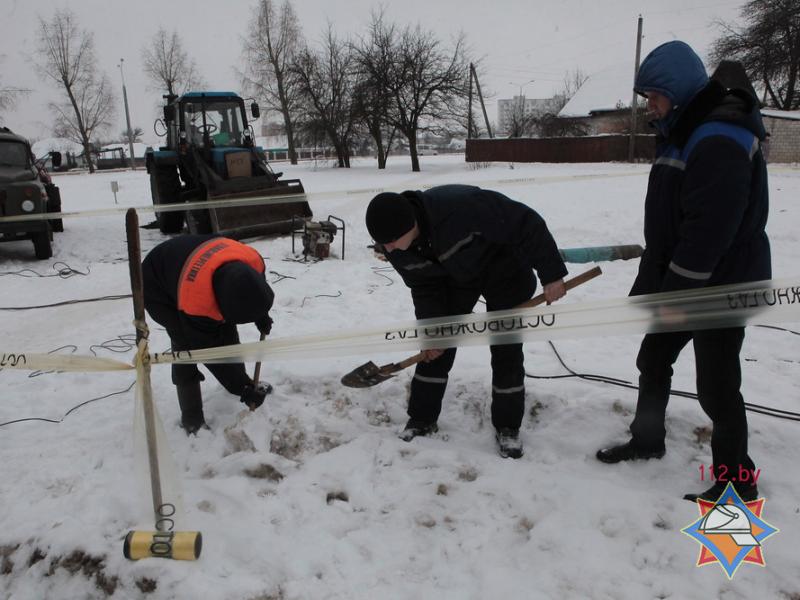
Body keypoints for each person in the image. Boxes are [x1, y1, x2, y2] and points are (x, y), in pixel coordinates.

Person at [595, 42, 771, 502]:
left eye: (654, 97)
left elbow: (708, 232)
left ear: (676, 90)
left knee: (716, 385)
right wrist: (658, 287)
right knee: (653, 360)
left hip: (719, 284)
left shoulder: (718, 136)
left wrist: (676, 294)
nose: (649, 107)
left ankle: (737, 481)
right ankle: (647, 440)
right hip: (681, 277)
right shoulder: (684, 129)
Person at [365, 184, 567, 458]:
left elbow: (525, 223)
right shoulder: (395, 247)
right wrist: (433, 333)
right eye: (383, 243)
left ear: (410, 225)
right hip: (456, 277)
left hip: (504, 269)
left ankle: (508, 426)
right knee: (436, 345)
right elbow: (424, 287)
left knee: (505, 345)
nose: (386, 249)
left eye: (390, 241)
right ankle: (422, 418)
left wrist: (552, 274)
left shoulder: (462, 207)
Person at [142, 235, 275, 434]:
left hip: (190, 260)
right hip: (157, 284)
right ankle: (191, 416)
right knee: (185, 347)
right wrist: (242, 387)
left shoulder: (253, 261)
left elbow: (252, 291)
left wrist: (260, 314)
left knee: (226, 330)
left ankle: (240, 385)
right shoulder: (196, 301)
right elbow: (207, 350)